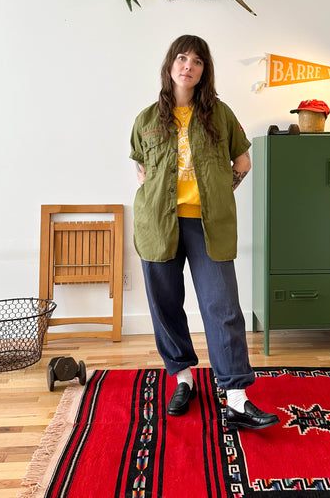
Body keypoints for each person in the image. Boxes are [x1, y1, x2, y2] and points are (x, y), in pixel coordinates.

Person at [130, 35, 279, 430]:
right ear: (170, 64)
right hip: (157, 224)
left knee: (222, 306)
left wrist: (216, 193)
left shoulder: (220, 114)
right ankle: (183, 379)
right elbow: (141, 171)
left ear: (204, 71)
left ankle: (237, 398)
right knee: (165, 305)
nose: (188, 66)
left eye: (197, 61)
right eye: (182, 58)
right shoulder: (146, 119)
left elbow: (242, 163)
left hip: (207, 224)